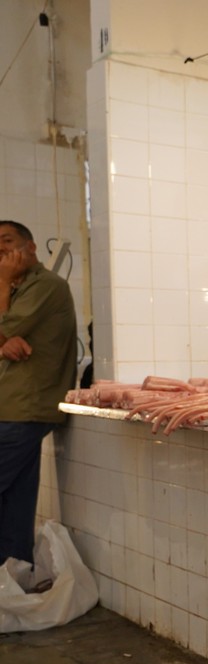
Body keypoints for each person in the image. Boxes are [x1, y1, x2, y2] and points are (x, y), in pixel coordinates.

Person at [0, 221, 78, 567]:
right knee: (17, 498)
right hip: (14, 408)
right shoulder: (17, 290)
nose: (1, 250)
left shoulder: (45, 285)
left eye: (7, 241)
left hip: (25, 408)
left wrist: (2, 285)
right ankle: (15, 575)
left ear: (31, 247)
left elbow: (6, 327)